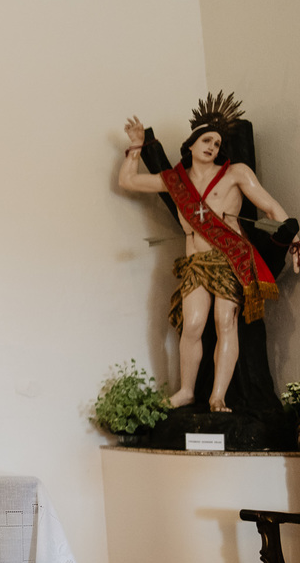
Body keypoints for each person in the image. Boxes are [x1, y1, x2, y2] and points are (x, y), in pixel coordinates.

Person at [119, 95, 299, 412]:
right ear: (190, 144)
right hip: (195, 264)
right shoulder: (175, 180)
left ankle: (218, 395)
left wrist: (295, 235)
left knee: (224, 320)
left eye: (217, 143)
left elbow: (270, 206)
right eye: (206, 140)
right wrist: (135, 147)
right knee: (192, 325)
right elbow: (128, 180)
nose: (212, 147)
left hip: (231, 259)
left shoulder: (235, 173)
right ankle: (187, 391)